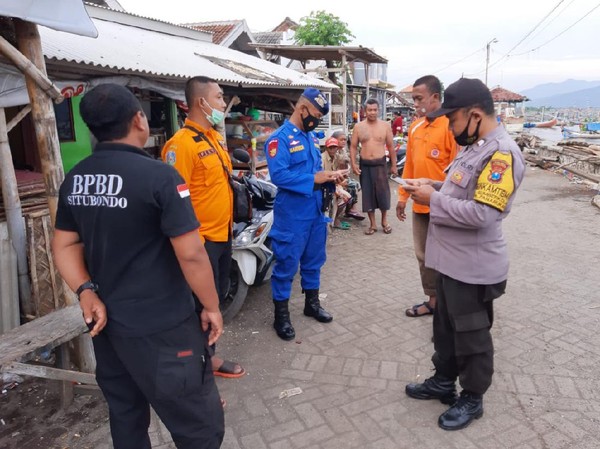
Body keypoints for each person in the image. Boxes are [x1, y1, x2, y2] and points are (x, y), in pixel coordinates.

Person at [51, 83, 225, 448]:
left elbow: (64, 244)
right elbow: (191, 254)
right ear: (139, 120)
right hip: (164, 329)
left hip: (109, 329)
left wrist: (85, 291)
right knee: (199, 427)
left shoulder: (76, 179)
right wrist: (210, 306)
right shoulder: (160, 177)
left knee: (127, 419)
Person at [403, 78, 525, 431]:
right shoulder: (476, 146)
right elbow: (462, 189)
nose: (449, 128)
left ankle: (472, 398)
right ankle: (443, 381)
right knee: (444, 328)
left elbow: (484, 213)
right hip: (450, 263)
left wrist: (433, 200)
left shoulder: (501, 154)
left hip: (473, 269)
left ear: (474, 115)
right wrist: (432, 186)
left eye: (452, 120)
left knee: (472, 336)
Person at [161, 76, 245, 379]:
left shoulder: (212, 138)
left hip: (223, 235)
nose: (223, 104)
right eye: (220, 98)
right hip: (200, 242)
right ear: (202, 102)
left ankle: (207, 357)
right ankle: (196, 368)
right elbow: (172, 200)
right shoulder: (180, 145)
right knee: (196, 305)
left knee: (215, 298)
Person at [265, 88, 347, 341]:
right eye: (315, 114)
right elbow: (279, 176)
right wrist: (315, 178)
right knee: (287, 264)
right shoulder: (279, 139)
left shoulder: (310, 137)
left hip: (315, 211)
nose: (317, 120)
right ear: (302, 109)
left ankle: (311, 304)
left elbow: (317, 172)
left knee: (314, 260)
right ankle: (281, 316)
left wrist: (332, 180)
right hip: (292, 214)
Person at [396, 75, 458, 318]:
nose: (415, 104)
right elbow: (409, 165)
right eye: (413, 99)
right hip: (419, 205)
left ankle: (449, 308)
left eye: (419, 99)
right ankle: (433, 301)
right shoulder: (415, 127)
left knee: (447, 257)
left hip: (444, 205)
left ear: (435, 97)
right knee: (423, 255)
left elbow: (457, 168)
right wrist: (402, 197)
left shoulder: (451, 127)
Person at [350, 98, 396, 235]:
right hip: (365, 165)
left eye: (375, 110)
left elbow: (391, 147)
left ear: (378, 110)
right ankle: (373, 224)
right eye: (370, 110)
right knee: (368, 194)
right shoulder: (359, 127)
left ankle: (384, 221)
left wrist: (393, 165)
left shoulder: (385, 126)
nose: (372, 112)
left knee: (383, 194)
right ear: (365, 111)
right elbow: (353, 147)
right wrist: (353, 163)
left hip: (381, 164)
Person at [331, 130, 364, 221]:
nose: (343, 141)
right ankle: (348, 211)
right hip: (335, 178)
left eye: (345, 140)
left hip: (342, 177)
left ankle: (351, 209)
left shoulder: (342, 150)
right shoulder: (333, 151)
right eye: (341, 140)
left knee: (355, 184)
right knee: (352, 185)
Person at [322, 137, 351, 230]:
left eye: (335, 147)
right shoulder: (322, 158)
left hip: (332, 184)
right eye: (331, 147)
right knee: (340, 197)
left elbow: (345, 163)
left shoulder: (336, 157)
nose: (333, 149)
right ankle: (329, 223)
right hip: (324, 185)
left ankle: (333, 222)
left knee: (340, 198)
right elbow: (322, 176)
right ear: (326, 148)